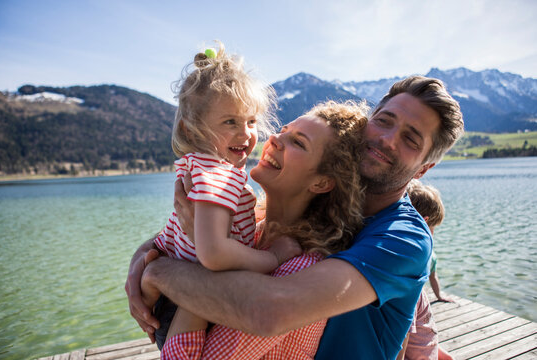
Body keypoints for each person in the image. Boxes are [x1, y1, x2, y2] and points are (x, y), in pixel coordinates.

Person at [125, 75, 464, 359]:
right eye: (384, 121)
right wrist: (149, 250)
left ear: (424, 168)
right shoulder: (310, 212)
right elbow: (212, 233)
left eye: (409, 139)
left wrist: (160, 271)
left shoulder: (402, 238)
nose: (387, 139)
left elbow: (270, 311)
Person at [157, 100, 368, 359]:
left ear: (322, 182)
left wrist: (205, 253)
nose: (276, 139)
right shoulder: (253, 231)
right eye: (283, 130)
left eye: (299, 143)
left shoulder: (301, 266)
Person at [143, 42, 302, 349]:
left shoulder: (199, 166)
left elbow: (181, 233)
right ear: (192, 131)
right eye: (230, 122)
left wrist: (149, 266)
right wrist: (273, 257)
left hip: (173, 294)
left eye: (251, 121)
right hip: (190, 304)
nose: (245, 134)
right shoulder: (220, 174)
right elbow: (213, 253)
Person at [397, 179, 454, 360]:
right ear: (424, 222)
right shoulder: (412, 283)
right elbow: (404, 334)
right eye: (433, 229)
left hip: (426, 346)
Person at [407, 179, 454, 303]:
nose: (432, 234)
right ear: (425, 220)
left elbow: (433, 276)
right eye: (432, 228)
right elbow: (433, 276)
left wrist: (439, 296)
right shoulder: (426, 254)